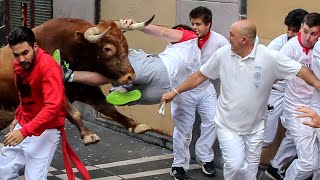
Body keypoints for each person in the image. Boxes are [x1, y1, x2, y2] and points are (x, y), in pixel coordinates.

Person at [61, 14, 228, 178]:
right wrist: (136, 26)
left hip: (197, 88)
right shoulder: (180, 44)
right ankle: (179, 164)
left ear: (209, 25)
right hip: (178, 88)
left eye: (198, 24)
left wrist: (139, 25)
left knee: (212, 122)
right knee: (183, 130)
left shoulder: (213, 40)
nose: (194, 27)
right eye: (192, 24)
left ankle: (205, 157)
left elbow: (163, 32)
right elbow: (162, 34)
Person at [160, 19, 320, 180]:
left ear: (244, 39)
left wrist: (317, 84)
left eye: (232, 35)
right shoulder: (223, 54)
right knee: (235, 165)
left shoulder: (269, 57)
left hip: (255, 129)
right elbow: (200, 75)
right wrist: (175, 91)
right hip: (228, 126)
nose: (228, 38)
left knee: (250, 172)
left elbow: (301, 71)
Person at [0, 27, 89, 180]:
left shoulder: (48, 67)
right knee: (3, 171)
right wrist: (19, 115)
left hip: (46, 130)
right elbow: (25, 93)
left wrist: (24, 132)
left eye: (25, 53)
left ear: (35, 46)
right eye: (16, 55)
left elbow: (52, 108)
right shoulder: (20, 65)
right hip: (25, 125)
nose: (21, 59)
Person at [267, 13, 320, 180]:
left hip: (317, 106)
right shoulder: (289, 48)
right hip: (297, 108)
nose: (308, 37)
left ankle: (275, 167)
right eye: (305, 31)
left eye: (313, 34)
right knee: (308, 162)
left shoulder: (318, 49)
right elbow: (271, 74)